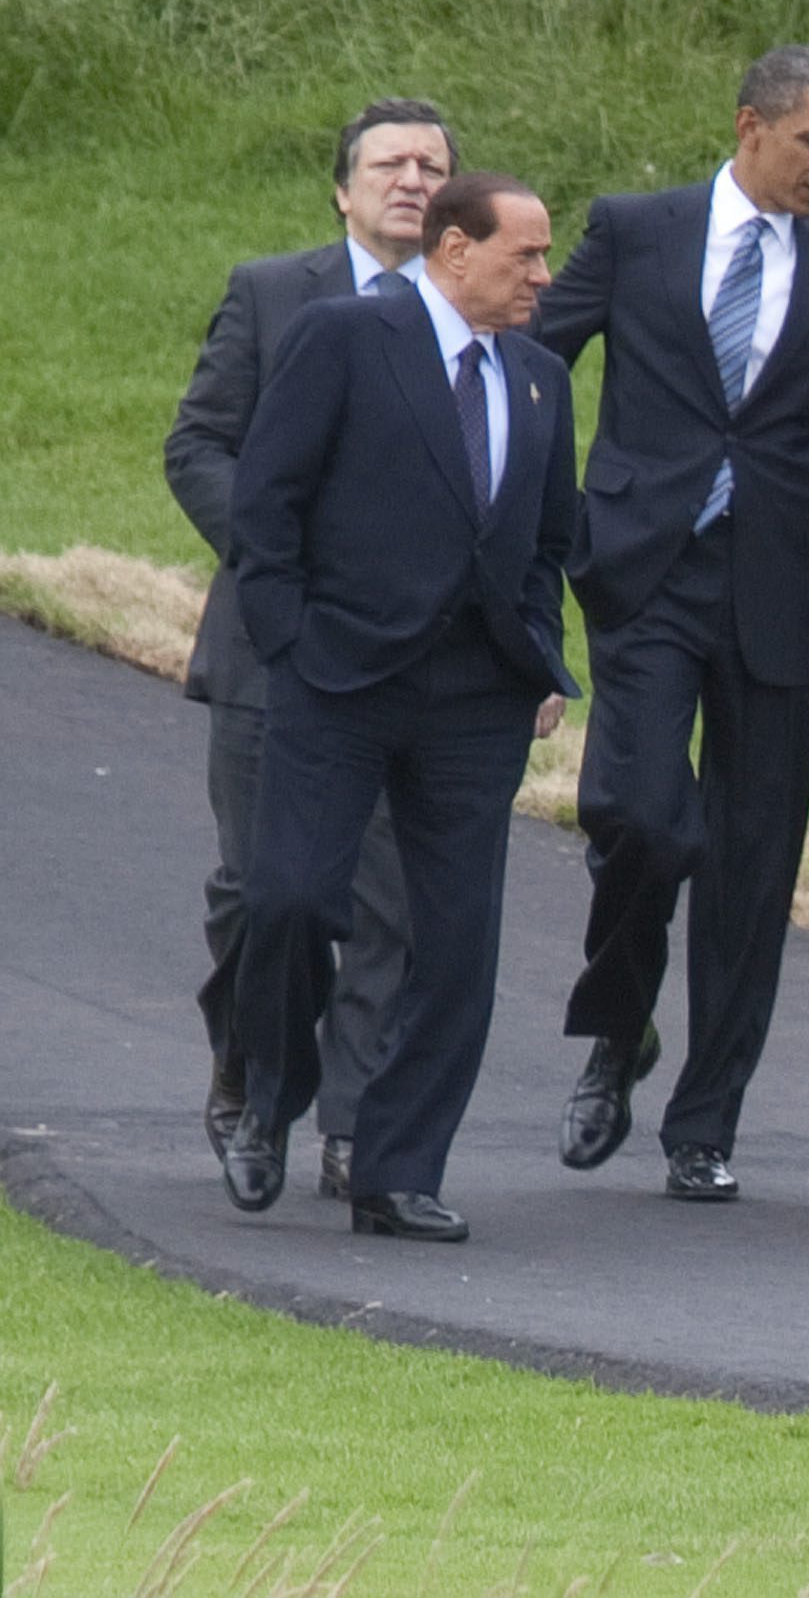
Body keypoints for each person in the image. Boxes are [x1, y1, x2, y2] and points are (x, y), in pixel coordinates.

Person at [536, 46, 809, 1202]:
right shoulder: (637, 229)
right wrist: (552, 520)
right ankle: (620, 1024)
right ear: (753, 126)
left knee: (754, 865)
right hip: (647, 571)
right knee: (639, 816)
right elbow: (538, 362)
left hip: (779, 590)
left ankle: (706, 1127)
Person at [218, 173, 578, 1243]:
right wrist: (291, 643)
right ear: (454, 249)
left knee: (457, 943)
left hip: (477, 700)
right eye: (525, 256)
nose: (545, 276)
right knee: (290, 900)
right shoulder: (346, 338)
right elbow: (266, 504)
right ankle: (267, 1098)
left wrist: (541, 656)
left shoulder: (543, 379)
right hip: (341, 680)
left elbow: (548, 540)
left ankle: (396, 1168)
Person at [165, 99, 451, 1202]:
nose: (412, 181)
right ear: (343, 189)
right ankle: (251, 1063)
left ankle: (353, 1123)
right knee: (264, 890)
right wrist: (283, 558)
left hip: (403, 664)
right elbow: (198, 444)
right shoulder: (271, 294)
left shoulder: (466, 316)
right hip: (271, 649)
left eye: (433, 165)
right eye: (390, 163)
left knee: (388, 898)